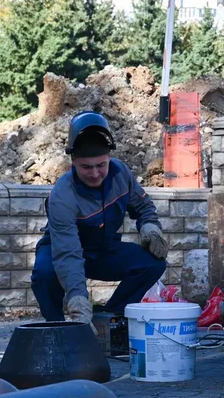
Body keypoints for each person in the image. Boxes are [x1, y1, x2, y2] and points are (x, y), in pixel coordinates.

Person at [30, 111, 168, 331]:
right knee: (43, 274)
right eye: (86, 167)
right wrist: (78, 301)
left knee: (153, 263)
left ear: (109, 157)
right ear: (73, 161)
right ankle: (58, 329)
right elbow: (68, 253)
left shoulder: (121, 173)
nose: (95, 173)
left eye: (101, 165)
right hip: (61, 249)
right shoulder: (62, 196)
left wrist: (151, 228)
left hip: (103, 250)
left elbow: (143, 206)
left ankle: (110, 317)